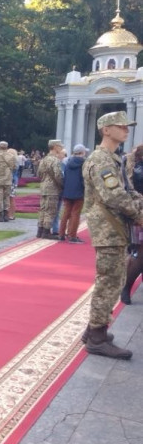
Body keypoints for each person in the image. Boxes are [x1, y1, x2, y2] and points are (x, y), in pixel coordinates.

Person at [81, 111, 143, 360]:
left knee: (113, 279)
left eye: (127, 127)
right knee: (109, 281)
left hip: (114, 227)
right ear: (106, 129)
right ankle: (97, 338)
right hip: (108, 228)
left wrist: (139, 204)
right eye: (121, 126)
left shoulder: (113, 158)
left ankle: (92, 331)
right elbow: (114, 196)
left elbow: (128, 190)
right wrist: (139, 215)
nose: (126, 130)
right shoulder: (101, 160)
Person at [121, 143, 143, 305]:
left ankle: (126, 288)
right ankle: (126, 288)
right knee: (139, 254)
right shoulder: (135, 167)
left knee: (137, 252)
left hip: (136, 211)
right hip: (139, 212)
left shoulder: (130, 164)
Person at [58, 144, 87, 243]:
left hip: (67, 190)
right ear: (82, 152)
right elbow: (84, 178)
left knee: (66, 213)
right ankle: (72, 235)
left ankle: (61, 234)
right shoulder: (84, 163)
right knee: (75, 214)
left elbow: (64, 176)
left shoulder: (67, 162)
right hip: (79, 190)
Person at [37, 139, 64, 239]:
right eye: (60, 146)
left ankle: (40, 230)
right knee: (50, 211)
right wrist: (62, 185)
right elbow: (58, 175)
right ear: (55, 147)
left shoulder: (44, 159)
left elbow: (39, 174)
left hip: (44, 187)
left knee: (43, 209)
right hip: (52, 188)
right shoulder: (55, 160)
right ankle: (46, 231)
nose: (61, 148)